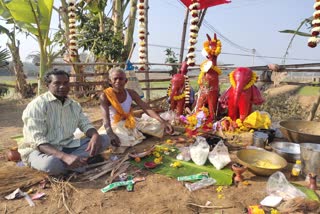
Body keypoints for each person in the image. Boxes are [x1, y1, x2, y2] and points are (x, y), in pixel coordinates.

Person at [18, 69, 110, 176]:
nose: (62, 86)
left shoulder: (74, 105)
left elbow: (85, 124)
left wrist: (94, 135)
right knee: (51, 164)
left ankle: (72, 165)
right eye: (57, 83)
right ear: (48, 85)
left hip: (67, 146)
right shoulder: (37, 105)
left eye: (65, 83)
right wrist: (65, 157)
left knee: (104, 139)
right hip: (40, 151)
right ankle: (80, 163)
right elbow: (38, 140)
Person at [99, 67, 173, 148]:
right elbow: (105, 119)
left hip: (130, 121)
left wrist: (164, 122)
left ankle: (139, 133)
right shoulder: (105, 96)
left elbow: (146, 108)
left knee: (159, 126)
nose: (118, 81)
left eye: (121, 79)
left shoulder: (131, 93)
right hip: (115, 125)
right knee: (122, 140)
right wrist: (110, 134)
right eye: (115, 79)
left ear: (125, 81)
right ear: (110, 81)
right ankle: (140, 134)